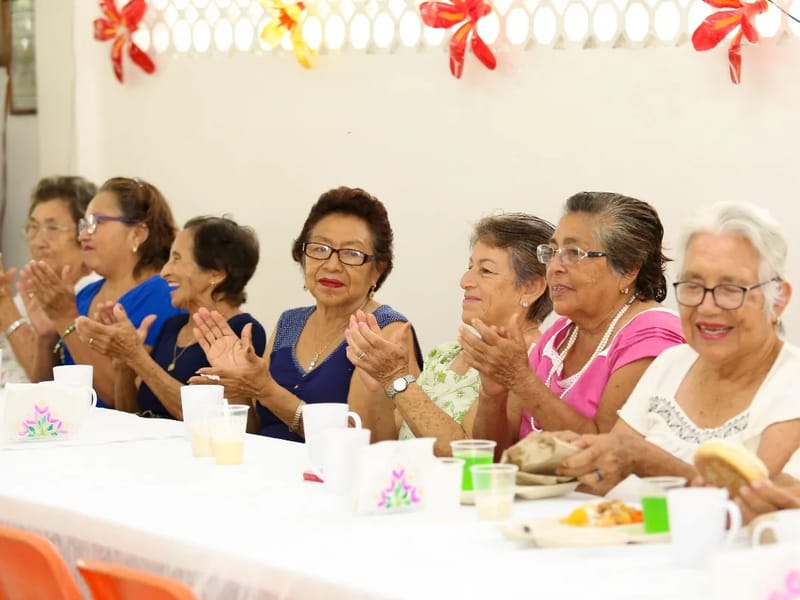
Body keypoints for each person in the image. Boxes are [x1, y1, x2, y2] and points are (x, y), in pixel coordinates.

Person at [558, 202, 800, 494]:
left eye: (730, 289)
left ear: (778, 301)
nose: (707, 307)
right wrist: (561, 455)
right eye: (693, 286)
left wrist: (652, 463)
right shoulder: (670, 364)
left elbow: (759, 508)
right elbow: (604, 480)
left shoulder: (790, 385)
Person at [190, 186, 422, 441]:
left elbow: (361, 442)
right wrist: (237, 387)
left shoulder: (384, 330)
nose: (331, 264)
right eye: (320, 248)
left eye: (351, 254)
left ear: (377, 269)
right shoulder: (290, 322)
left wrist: (267, 390)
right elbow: (258, 428)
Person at [463, 191, 685, 455]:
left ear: (627, 269)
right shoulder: (559, 335)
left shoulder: (654, 336)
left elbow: (606, 456)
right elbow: (495, 456)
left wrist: (520, 379)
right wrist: (493, 393)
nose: (554, 266)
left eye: (572, 253)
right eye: (553, 251)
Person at [345, 213, 553, 454]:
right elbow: (388, 447)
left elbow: (470, 454)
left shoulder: (533, 361)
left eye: (485, 270)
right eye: (469, 267)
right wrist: (378, 387)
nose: (464, 281)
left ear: (531, 288)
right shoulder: (445, 355)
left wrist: (395, 378)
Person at [75, 216, 267, 421]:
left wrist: (136, 356)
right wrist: (123, 364)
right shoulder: (172, 326)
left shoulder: (242, 331)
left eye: (176, 259)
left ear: (216, 273)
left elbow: (211, 419)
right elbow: (131, 416)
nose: (165, 272)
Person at [19, 177, 183, 406]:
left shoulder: (166, 296)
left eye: (96, 222)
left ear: (137, 234)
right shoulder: (85, 295)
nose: (83, 235)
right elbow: (44, 398)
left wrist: (65, 316)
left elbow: (117, 400)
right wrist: (46, 338)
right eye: (84, 224)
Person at [0, 176, 99, 383]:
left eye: (52, 228)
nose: (38, 241)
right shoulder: (27, 291)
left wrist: (5, 308)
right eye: (33, 227)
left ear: (85, 234)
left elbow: (43, 380)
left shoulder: (91, 294)